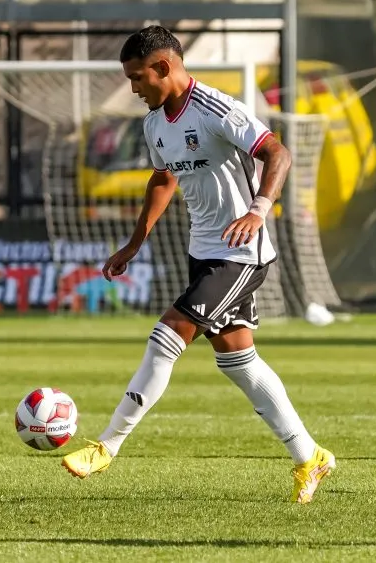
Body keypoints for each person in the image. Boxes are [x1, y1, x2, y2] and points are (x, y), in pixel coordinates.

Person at [60, 25, 334, 504]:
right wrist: (133, 243)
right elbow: (163, 180)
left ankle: (106, 445)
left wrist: (259, 209)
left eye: (137, 77)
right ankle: (309, 455)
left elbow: (277, 152)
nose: (133, 88)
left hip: (240, 254)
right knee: (237, 360)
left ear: (164, 66)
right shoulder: (152, 123)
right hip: (202, 252)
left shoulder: (215, 108)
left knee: (167, 336)